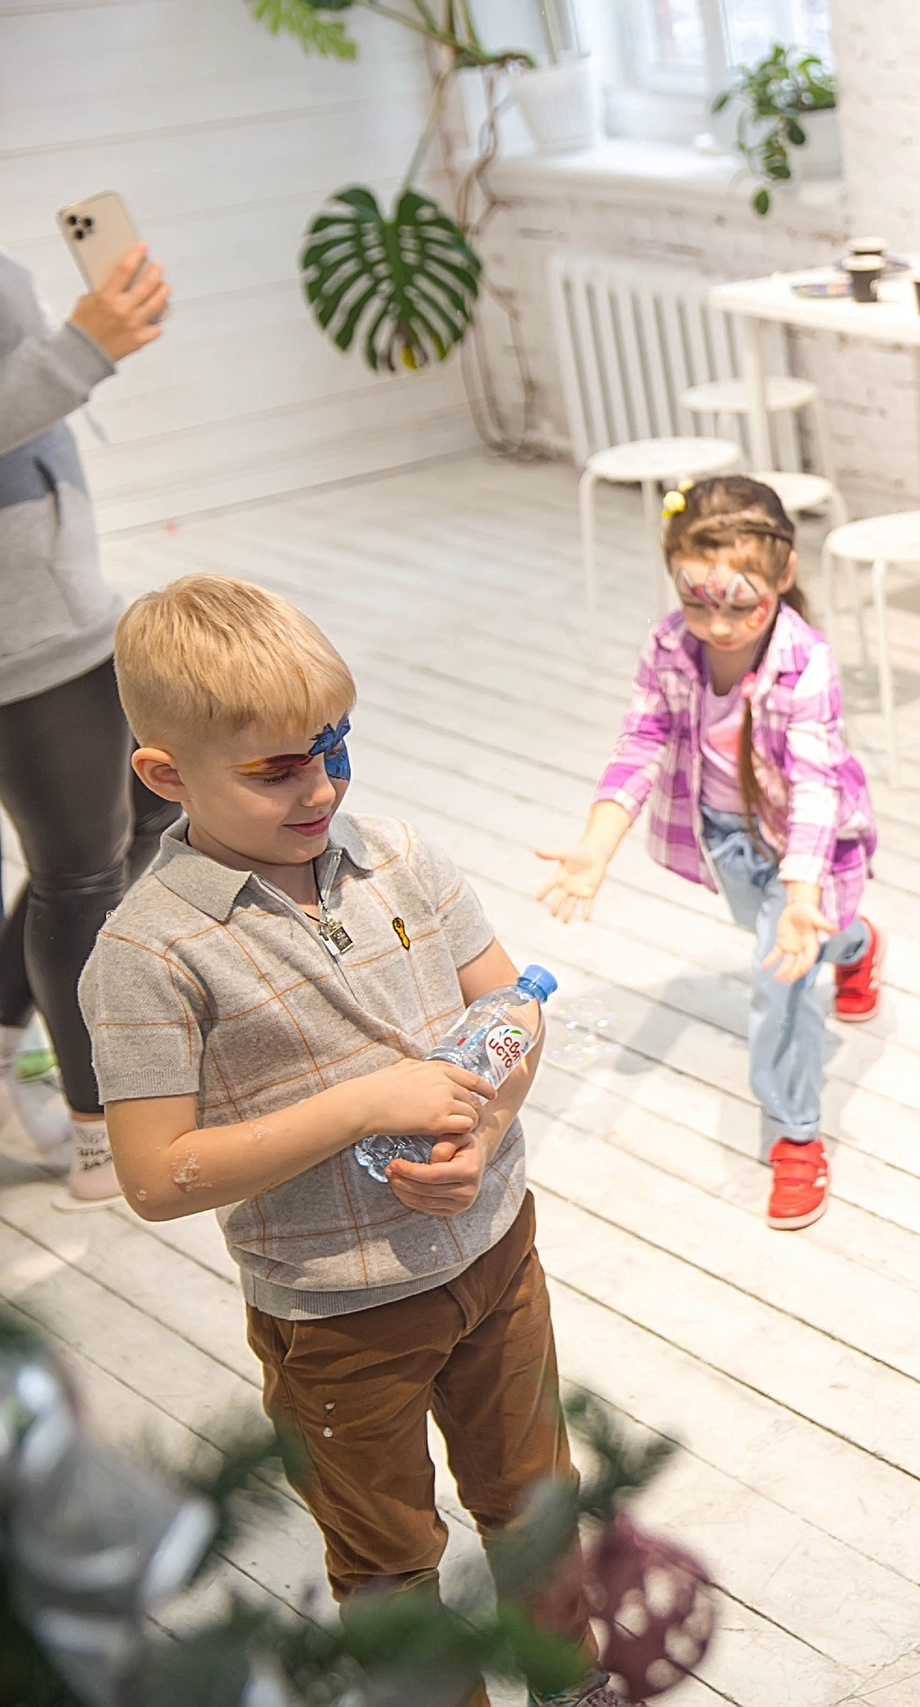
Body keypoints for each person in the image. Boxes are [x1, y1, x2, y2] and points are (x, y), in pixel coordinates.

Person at [76, 575, 612, 1707]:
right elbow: (154, 1175)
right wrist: (367, 1104)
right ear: (166, 775)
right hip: (333, 1316)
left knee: (535, 1501)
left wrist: (490, 1124)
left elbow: (511, 1010)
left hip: (497, 1256)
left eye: (334, 747)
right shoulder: (151, 953)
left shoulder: (402, 855)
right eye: (276, 768)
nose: (321, 785)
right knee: (386, 1557)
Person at [535, 477, 878, 1233]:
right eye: (697, 602)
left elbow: (817, 784)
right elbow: (642, 739)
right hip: (727, 839)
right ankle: (855, 942)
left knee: (780, 978)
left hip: (807, 851)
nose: (718, 625)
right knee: (810, 942)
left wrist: (799, 894)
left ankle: (796, 1134)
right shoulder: (667, 646)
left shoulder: (806, 660)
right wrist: (597, 844)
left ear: (783, 576)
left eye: (739, 603)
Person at [0, 240, 180, 1201]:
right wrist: (81, 348)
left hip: (64, 597)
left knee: (139, 819)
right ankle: (96, 1133)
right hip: (17, 633)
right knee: (81, 876)